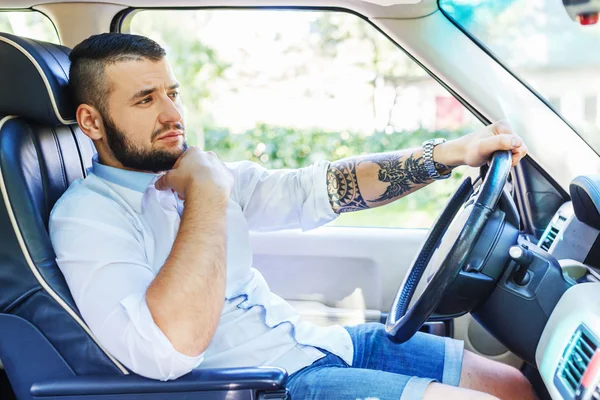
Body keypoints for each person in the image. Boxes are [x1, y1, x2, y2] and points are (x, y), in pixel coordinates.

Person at [50, 33, 533, 400]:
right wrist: (209, 195)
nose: (172, 113)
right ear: (92, 121)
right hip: (272, 384)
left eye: (172, 93)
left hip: (320, 343)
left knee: (511, 386)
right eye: (145, 99)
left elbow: (321, 189)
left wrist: (448, 154)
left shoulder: (202, 173)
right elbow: (167, 349)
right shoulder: (89, 216)